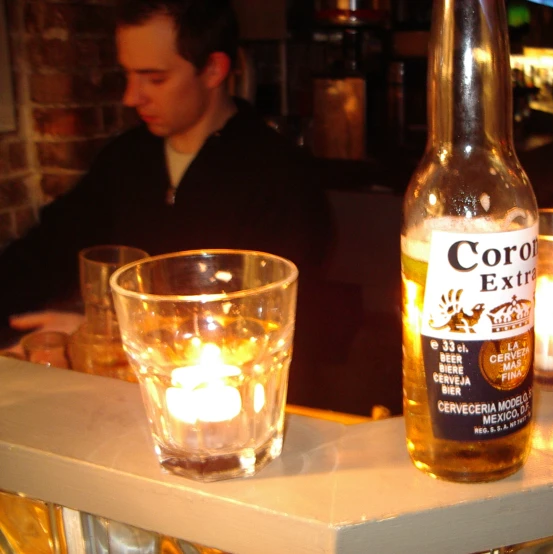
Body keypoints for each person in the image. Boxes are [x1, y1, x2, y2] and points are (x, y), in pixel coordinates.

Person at [0, 0, 334, 400]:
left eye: (153, 78)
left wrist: (104, 334)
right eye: (128, 74)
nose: (130, 96)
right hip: (124, 396)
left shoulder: (281, 174)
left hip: (240, 406)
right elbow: (47, 249)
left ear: (213, 69)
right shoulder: (125, 158)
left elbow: (266, 323)